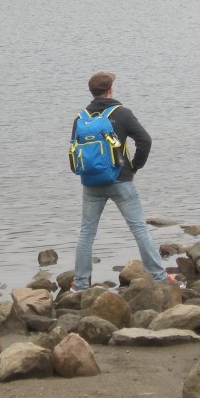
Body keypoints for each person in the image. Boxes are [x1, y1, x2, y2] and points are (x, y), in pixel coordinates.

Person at [71, 71, 171, 290]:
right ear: (110, 90)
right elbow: (145, 141)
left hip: (90, 183)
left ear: (92, 92)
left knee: (87, 232)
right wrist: (135, 167)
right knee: (139, 229)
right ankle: (159, 277)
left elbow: (74, 150)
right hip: (120, 179)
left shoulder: (81, 118)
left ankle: (79, 284)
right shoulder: (122, 113)